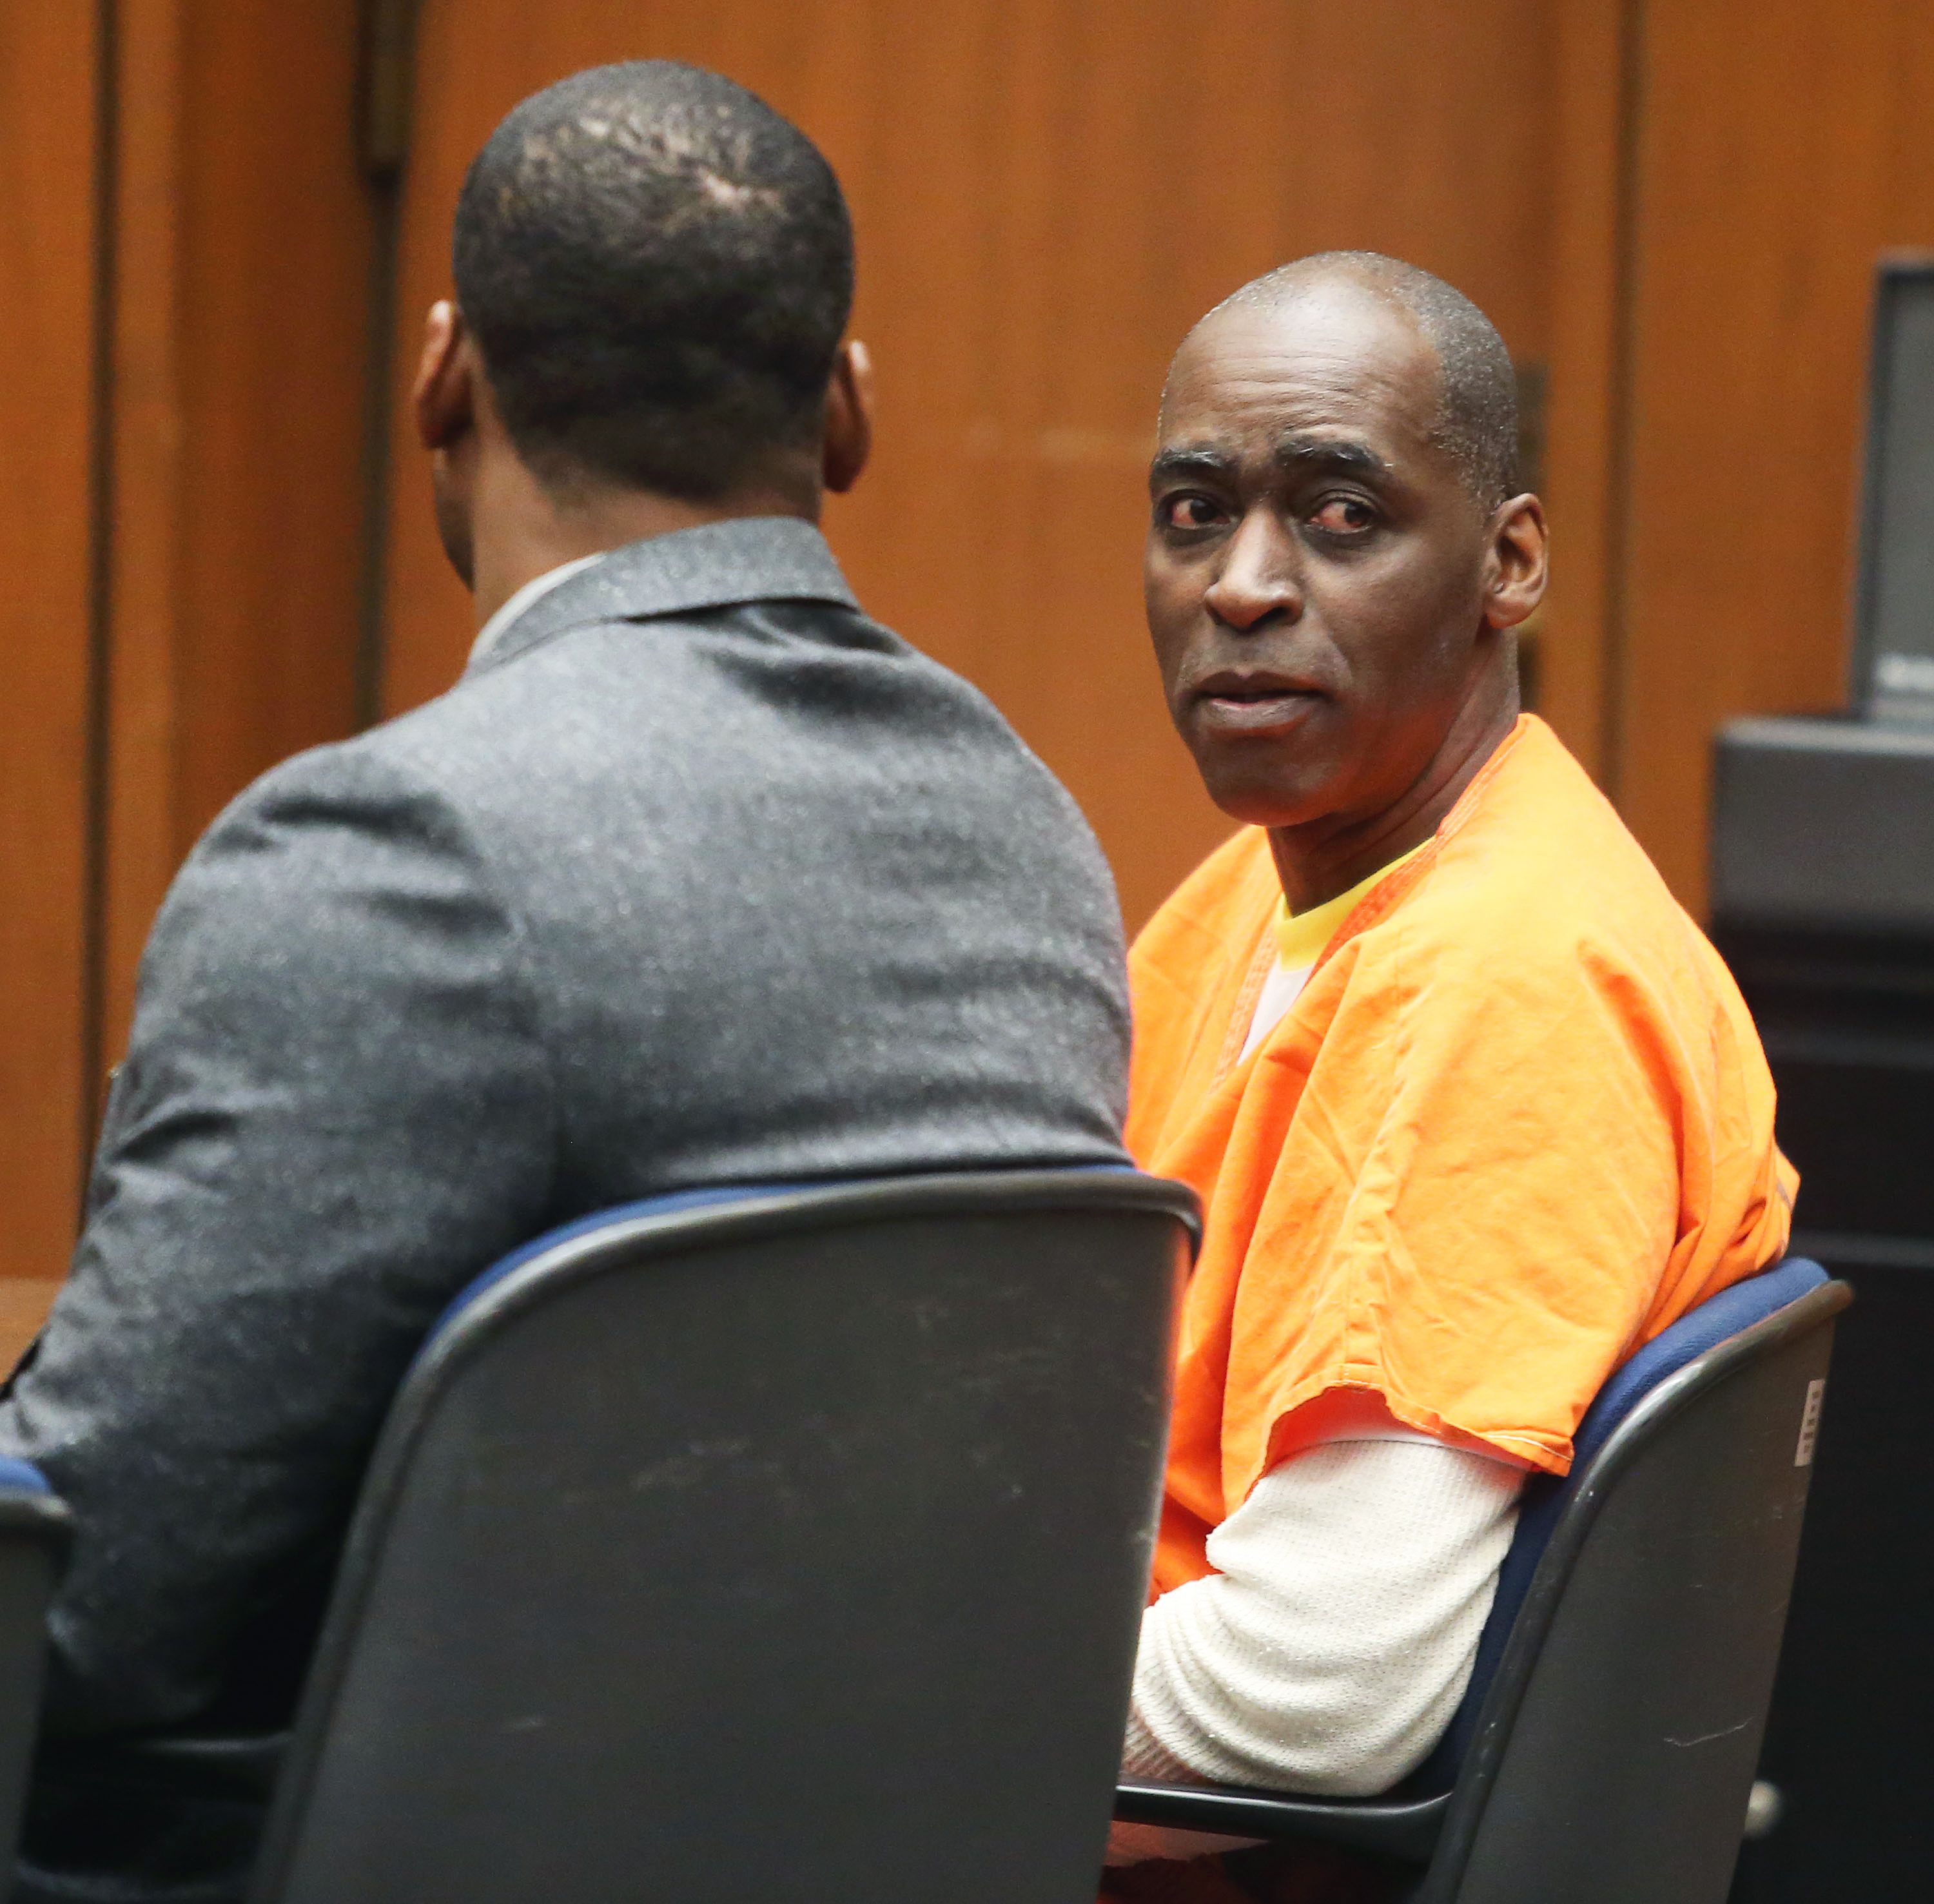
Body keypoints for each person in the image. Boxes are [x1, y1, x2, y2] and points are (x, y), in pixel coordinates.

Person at [2, 61, 1131, 1903]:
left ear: (443, 379)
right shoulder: (1031, 842)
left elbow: (82, 1608)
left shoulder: (396, 849)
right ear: (847, 413)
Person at [1102, 253, 1793, 1903]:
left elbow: (1310, 1693)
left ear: (1509, 563)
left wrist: (851, 1704)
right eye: (1195, 514)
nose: (1242, 585)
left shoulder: (1508, 974)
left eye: (1340, 515)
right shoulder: (1266, 890)